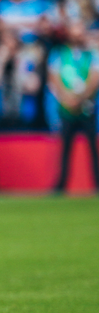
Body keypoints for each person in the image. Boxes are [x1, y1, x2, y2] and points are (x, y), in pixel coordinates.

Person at [47, 20, 99, 194]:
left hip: (87, 107)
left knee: (93, 148)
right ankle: (61, 185)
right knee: (64, 149)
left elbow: (94, 78)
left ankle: (97, 184)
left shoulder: (92, 54)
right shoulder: (59, 53)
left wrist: (80, 97)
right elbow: (53, 78)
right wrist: (66, 97)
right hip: (66, 108)